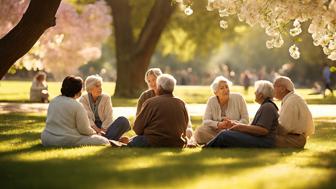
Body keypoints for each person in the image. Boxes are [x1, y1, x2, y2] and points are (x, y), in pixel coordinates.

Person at [204, 80, 279, 148]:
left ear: (260, 95)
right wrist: (235, 124)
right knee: (226, 134)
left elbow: (263, 130)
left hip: (263, 141)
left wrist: (240, 127)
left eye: (256, 91)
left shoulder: (268, 107)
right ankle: (209, 146)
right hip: (258, 139)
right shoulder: (266, 105)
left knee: (225, 135)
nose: (254, 93)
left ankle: (206, 148)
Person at [41, 76, 110, 147]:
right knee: (103, 140)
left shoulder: (53, 101)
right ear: (78, 90)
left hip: (47, 139)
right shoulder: (77, 105)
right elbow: (84, 130)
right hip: (66, 139)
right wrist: (95, 133)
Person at [128, 74, 189, 147]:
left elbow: (137, 128)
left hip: (153, 141)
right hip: (176, 142)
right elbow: (185, 126)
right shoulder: (181, 103)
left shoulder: (150, 102)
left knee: (134, 141)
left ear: (159, 87)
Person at [136, 68, 194, 142]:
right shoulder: (145, 97)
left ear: (160, 80)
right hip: (152, 130)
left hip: (166, 132)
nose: (152, 83)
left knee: (188, 131)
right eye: (149, 81)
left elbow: (185, 122)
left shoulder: (175, 100)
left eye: (154, 80)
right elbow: (139, 119)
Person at [194, 76, 249, 145]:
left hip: (235, 131)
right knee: (200, 130)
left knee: (239, 134)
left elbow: (246, 119)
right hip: (217, 131)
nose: (226, 90)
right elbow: (206, 121)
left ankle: (220, 141)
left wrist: (233, 124)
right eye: (222, 88)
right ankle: (225, 141)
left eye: (227, 87)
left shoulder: (239, 98)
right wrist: (218, 124)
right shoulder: (211, 101)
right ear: (215, 93)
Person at [79, 75, 131, 142]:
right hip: (91, 128)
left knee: (124, 121)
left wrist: (103, 130)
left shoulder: (106, 97)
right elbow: (86, 118)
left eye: (100, 86)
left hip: (105, 128)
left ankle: (102, 138)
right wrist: (97, 130)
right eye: (97, 86)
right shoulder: (83, 99)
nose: (100, 88)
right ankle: (114, 139)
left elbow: (109, 116)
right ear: (90, 88)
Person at [273, 76, 315, 148]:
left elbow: (284, 129)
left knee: (264, 138)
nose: (272, 90)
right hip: (296, 138)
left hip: (294, 139)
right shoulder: (292, 98)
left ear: (282, 89)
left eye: (274, 87)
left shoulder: (291, 101)